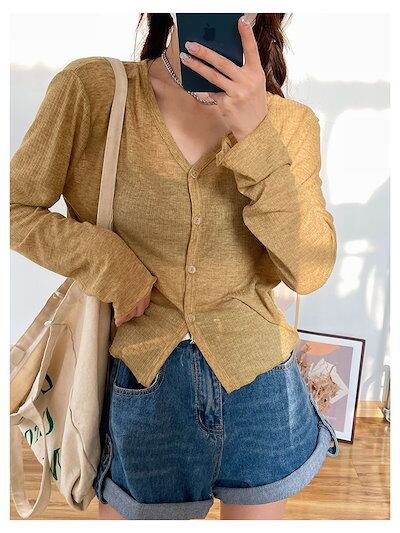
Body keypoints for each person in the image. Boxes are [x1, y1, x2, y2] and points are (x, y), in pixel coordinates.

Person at [10, 13, 339, 520]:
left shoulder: (291, 124)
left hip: (262, 392)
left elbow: (310, 270)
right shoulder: (93, 92)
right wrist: (111, 265)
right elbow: (15, 210)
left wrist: (256, 136)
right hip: (144, 393)